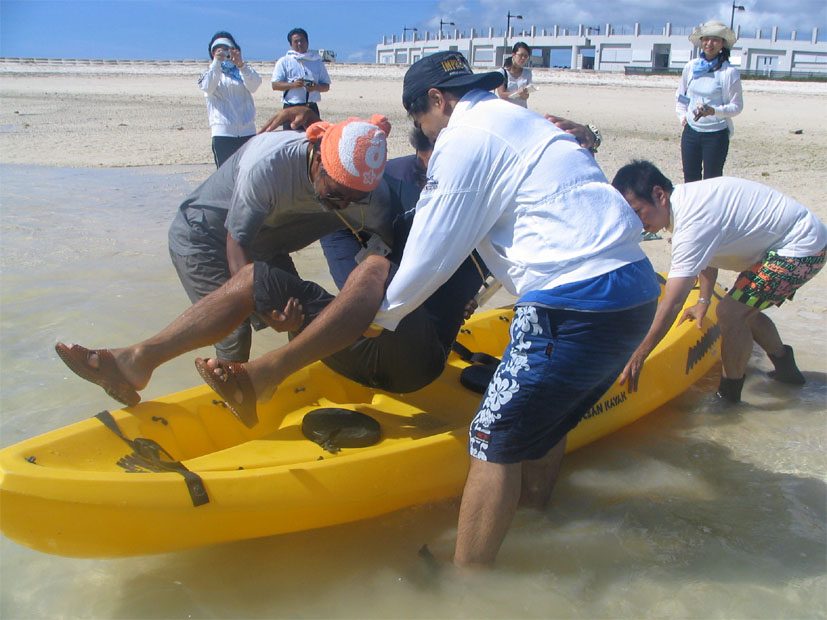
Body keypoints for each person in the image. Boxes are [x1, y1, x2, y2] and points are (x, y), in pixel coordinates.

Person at [361, 51, 659, 567]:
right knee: (547, 421)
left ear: (436, 101)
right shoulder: (523, 121)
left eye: (420, 122)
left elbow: (431, 250)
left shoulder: (464, 137)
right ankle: (535, 519)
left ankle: (468, 584)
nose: (425, 133)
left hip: (574, 304)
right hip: (634, 290)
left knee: (491, 437)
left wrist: (378, 317)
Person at [167, 115, 396, 363]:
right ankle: (144, 365)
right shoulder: (267, 166)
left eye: (355, 200)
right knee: (233, 333)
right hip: (204, 237)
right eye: (336, 194)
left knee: (305, 315)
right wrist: (263, 307)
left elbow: (392, 255)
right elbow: (238, 241)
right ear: (319, 160)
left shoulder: (373, 198)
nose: (343, 204)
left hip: (265, 244)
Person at [611, 160, 826, 404]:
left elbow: (672, 303)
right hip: (791, 241)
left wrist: (640, 355)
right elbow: (706, 254)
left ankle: (729, 398)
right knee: (744, 310)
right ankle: (788, 373)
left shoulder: (692, 221)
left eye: (637, 211)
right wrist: (703, 300)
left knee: (731, 312)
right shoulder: (686, 202)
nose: (636, 223)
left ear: (659, 195)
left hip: (804, 249)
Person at [676, 21, 743, 182]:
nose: (709, 44)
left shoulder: (729, 72)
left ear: (722, 44)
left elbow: (737, 106)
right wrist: (682, 116)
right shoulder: (691, 67)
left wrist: (714, 111)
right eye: (706, 39)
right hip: (691, 132)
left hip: (716, 135)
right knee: (690, 180)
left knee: (712, 182)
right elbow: (682, 95)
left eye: (715, 40)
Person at [199, 32, 262, 168]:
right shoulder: (210, 73)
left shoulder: (243, 71)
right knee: (225, 176)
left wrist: (241, 65)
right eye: (219, 50)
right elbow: (207, 87)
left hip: (247, 131)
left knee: (247, 173)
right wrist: (217, 63)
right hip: (223, 133)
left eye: (227, 49)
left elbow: (255, 85)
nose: (224, 53)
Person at [271, 28, 331, 127]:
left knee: (314, 139)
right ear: (291, 44)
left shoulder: (316, 62)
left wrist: (316, 87)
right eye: (296, 41)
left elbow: (326, 86)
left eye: (302, 40)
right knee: (289, 140)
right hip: (290, 108)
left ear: (307, 42)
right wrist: (293, 85)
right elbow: (275, 85)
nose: (299, 43)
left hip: (311, 108)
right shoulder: (284, 61)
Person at [495, 42, 533, 108]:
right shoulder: (502, 72)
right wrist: (517, 92)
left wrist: (524, 92)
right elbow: (501, 94)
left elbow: (526, 97)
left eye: (526, 56)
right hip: (507, 110)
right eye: (521, 55)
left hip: (522, 110)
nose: (523, 58)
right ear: (514, 54)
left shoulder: (527, 73)